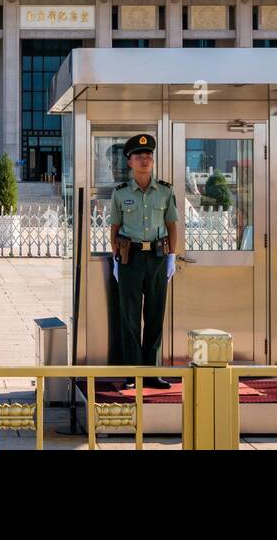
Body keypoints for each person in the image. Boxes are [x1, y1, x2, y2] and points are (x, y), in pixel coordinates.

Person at [110, 132, 178, 389]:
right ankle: (132, 373)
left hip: (158, 258)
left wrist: (172, 256)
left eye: (148, 155)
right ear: (130, 162)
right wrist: (116, 259)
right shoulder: (120, 194)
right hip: (131, 257)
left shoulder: (164, 192)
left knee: (155, 315)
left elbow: (172, 226)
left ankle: (151, 373)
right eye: (139, 156)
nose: (145, 159)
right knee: (129, 317)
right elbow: (114, 229)